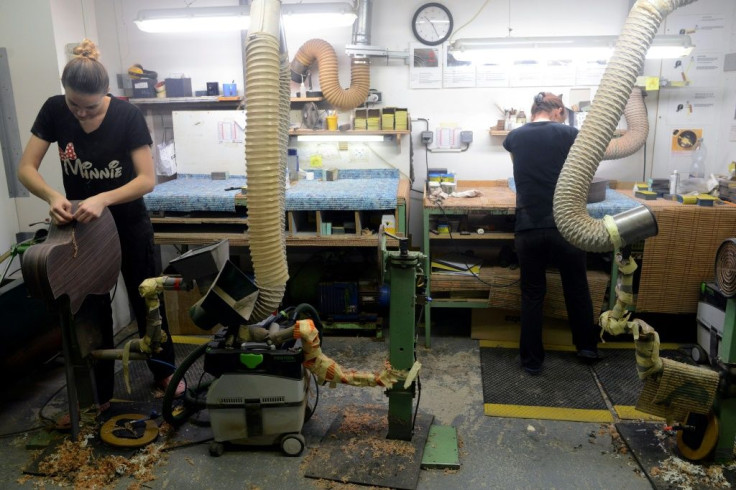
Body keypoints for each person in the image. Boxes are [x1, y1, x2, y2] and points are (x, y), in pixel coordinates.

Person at [17, 39, 184, 423]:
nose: (80, 113)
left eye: (90, 107)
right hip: (81, 229)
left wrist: (104, 198)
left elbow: (147, 180)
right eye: (74, 105)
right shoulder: (54, 110)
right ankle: (98, 394)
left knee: (147, 297)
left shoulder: (127, 116)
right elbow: (26, 167)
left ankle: (163, 370)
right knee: (89, 307)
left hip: (127, 222)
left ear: (105, 95)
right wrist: (52, 196)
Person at [502, 92, 600, 375]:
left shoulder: (514, 138)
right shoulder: (570, 133)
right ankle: (587, 348)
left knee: (532, 294)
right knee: (577, 287)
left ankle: (532, 362)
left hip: (529, 226)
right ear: (557, 111)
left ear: (533, 111)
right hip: (566, 226)